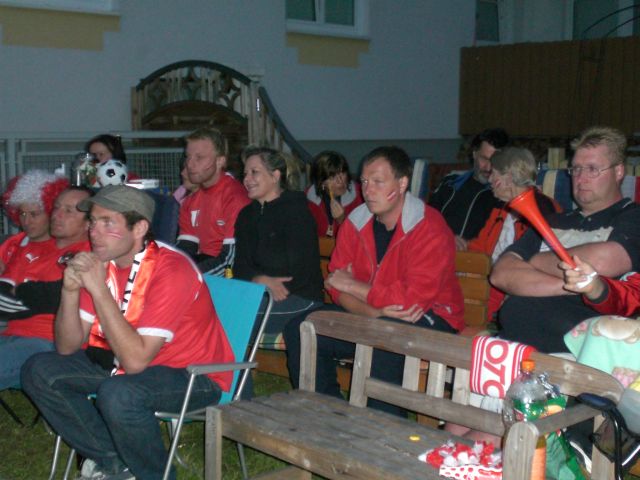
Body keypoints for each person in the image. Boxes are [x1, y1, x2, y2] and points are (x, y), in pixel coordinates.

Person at [21, 185, 234, 480]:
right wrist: (69, 292)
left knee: (120, 395)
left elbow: (135, 362)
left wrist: (98, 290)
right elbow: (67, 347)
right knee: (39, 369)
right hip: (123, 367)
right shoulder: (102, 261)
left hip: (192, 376)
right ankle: (117, 465)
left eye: (108, 222)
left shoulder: (170, 269)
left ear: (139, 228)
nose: (94, 232)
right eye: (93, 221)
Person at [283, 146, 464, 416]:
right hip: (375, 315)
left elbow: (408, 300)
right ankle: (326, 415)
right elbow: (335, 285)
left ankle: (382, 427)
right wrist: (373, 312)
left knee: (385, 338)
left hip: (432, 316)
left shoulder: (428, 227)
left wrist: (353, 286)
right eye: (365, 181)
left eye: (378, 181)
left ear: (402, 184)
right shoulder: (356, 222)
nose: (368, 190)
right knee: (303, 326)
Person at [491, 126, 640, 353]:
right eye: (576, 169)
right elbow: (501, 274)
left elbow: (604, 260)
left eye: (592, 169)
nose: (581, 178)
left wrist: (535, 261)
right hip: (519, 346)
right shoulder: (552, 221)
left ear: (619, 171)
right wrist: (577, 286)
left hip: (583, 350)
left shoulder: (632, 217)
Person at [0, 172, 91, 391]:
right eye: (56, 208)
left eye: (68, 211)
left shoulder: (88, 256)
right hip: (11, 335)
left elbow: (36, 298)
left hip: (47, 344)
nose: (57, 215)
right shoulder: (38, 248)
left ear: (89, 223)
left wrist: (22, 295)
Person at [235, 146, 323, 348]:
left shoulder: (296, 213)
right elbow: (240, 267)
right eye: (245, 173)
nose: (247, 179)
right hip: (261, 294)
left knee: (231, 317)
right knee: (213, 308)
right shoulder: (246, 216)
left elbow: (300, 272)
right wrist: (260, 280)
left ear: (275, 176)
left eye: (254, 172)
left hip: (300, 298)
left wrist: (265, 285)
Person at [463, 147, 561, 321]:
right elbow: (479, 247)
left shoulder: (543, 211)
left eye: (493, 174)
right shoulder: (501, 208)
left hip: (512, 290)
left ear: (508, 178)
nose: (490, 179)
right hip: (487, 283)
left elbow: (536, 265)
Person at [176, 127, 250, 276]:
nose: (190, 164)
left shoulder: (235, 198)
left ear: (220, 161)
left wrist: (190, 277)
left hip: (233, 274)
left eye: (199, 158)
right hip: (208, 266)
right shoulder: (190, 201)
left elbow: (230, 262)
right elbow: (185, 249)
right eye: (188, 157)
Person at [429, 128, 509, 248]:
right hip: (437, 247)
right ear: (474, 154)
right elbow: (426, 219)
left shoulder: (502, 195)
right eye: (484, 159)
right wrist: (445, 236)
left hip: (472, 256)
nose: (488, 168)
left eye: (494, 161)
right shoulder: (450, 183)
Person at [305, 150, 363, 237]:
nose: (340, 181)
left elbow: (363, 238)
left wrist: (342, 220)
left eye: (342, 173)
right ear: (321, 182)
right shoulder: (307, 201)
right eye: (332, 177)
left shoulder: (361, 197)